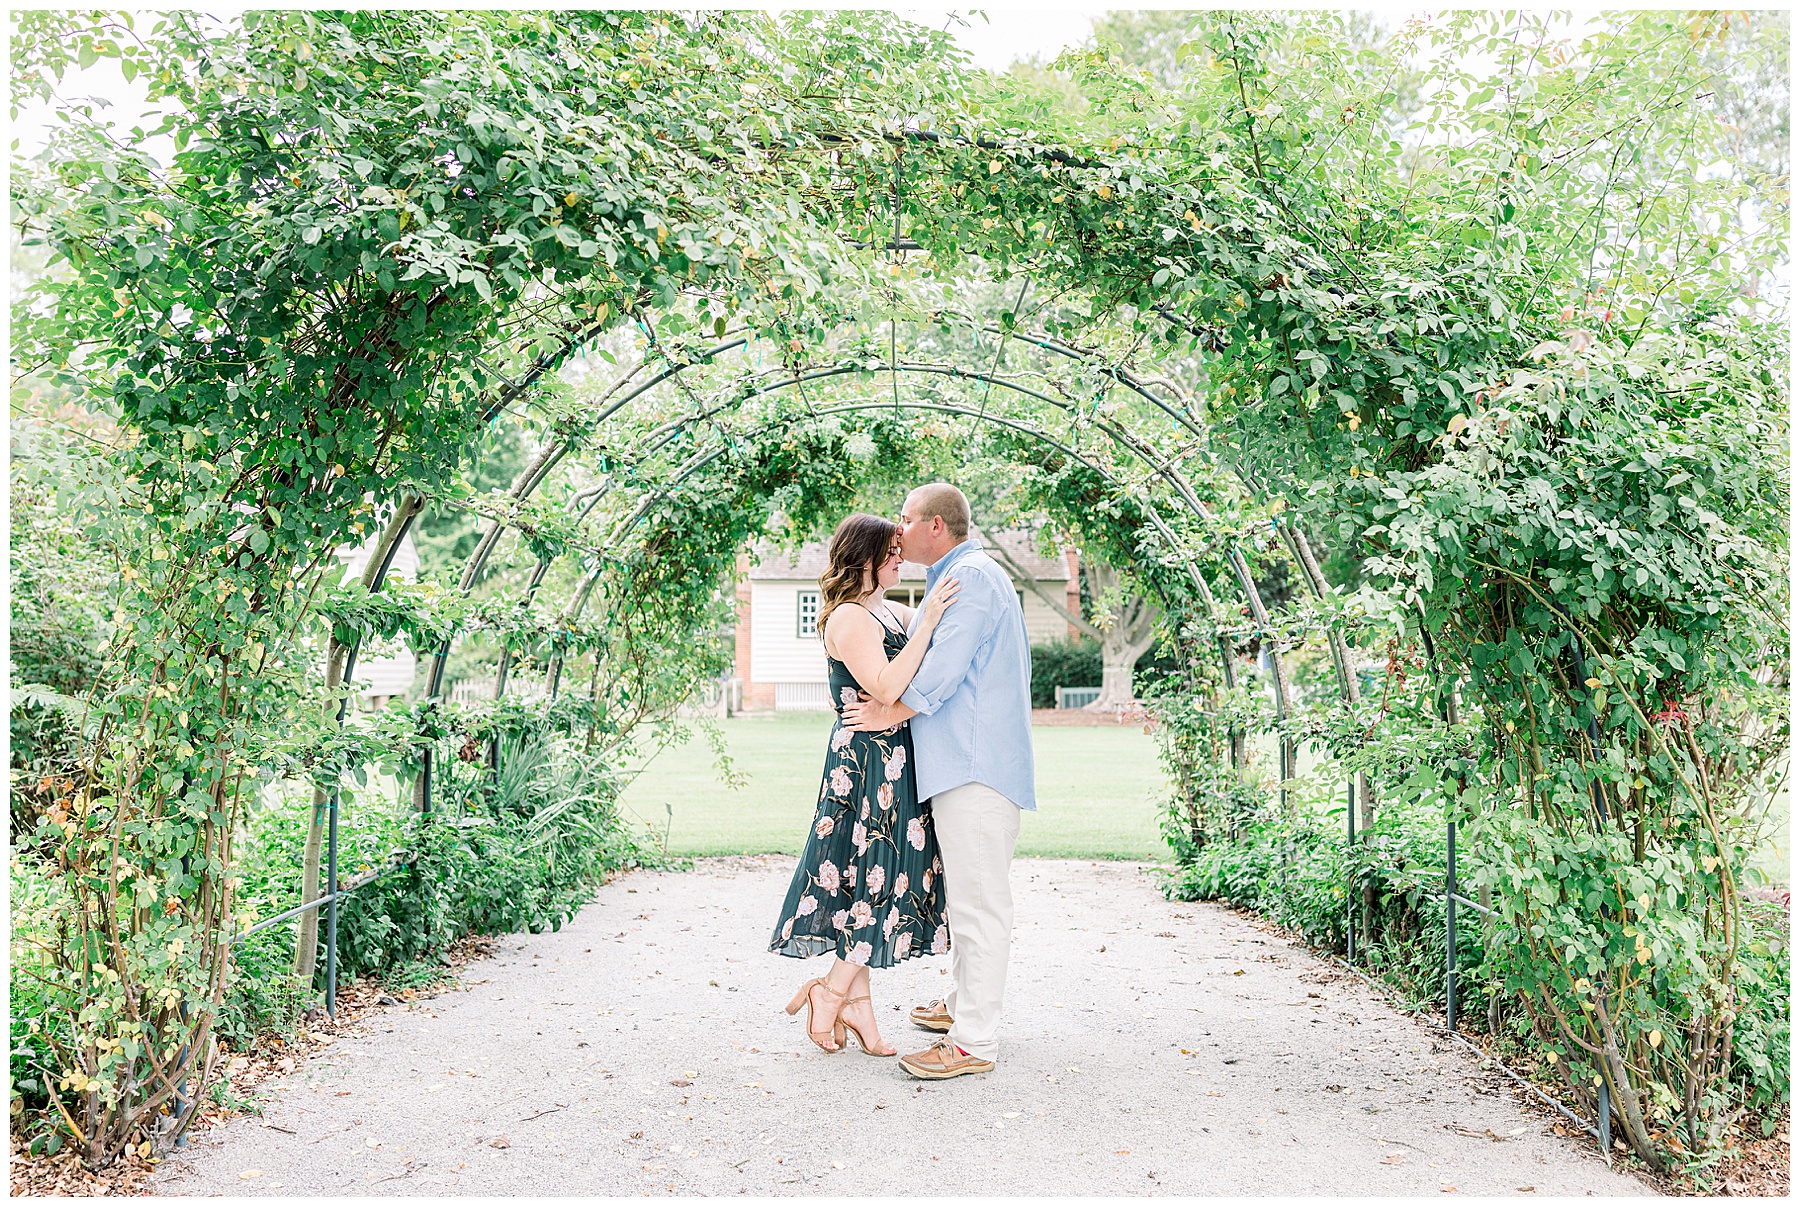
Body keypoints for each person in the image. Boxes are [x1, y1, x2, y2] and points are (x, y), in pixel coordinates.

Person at [843, 482, 1035, 1081]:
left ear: (934, 526)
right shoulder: (956, 577)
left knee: (980, 907)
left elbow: (944, 673)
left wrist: (886, 713)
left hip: (975, 766)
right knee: (969, 900)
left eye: (905, 518)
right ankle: (959, 1010)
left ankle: (975, 1042)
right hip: (962, 763)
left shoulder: (972, 578)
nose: (897, 530)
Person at [769, 512, 961, 1056]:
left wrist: (925, 621)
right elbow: (883, 685)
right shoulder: (849, 619)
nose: (903, 560)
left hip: (898, 758)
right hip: (866, 765)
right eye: (894, 553)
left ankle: (858, 1010)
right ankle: (829, 995)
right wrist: (926, 626)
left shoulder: (892, 612)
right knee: (873, 877)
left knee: (873, 877)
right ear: (867, 557)